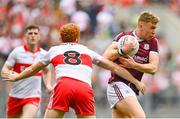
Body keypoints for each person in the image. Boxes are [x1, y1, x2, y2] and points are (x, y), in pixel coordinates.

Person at [1, 23, 146, 118]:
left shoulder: (54, 50)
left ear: (60, 38)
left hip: (64, 86)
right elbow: (114, 67)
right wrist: (136, 82)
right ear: (77, 38)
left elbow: (34, 68)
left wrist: (17, 77)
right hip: (84, 88)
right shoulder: (86, 50)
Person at [103, 11, 160, 118]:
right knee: (139, 117)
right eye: (152, 28)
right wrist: (123, 50)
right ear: (141, 26)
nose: (154, 31)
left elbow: (153, 69)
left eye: (155, 28)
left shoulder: (153, 42)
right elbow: (105, 58)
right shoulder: (123, 37)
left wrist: (134, 65)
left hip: (132, 89)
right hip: (118, 85)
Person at [1, 25, 53, 118]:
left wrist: (48, 85)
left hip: (33, 97)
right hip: (15, 96)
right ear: (25, 36)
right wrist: (10, 74)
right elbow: (5, 69)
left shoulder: (44, 55)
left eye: (35, 33)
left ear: (39, 36)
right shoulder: (17, 52)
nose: (33, 35)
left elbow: (47, 71)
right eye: (30, 33)